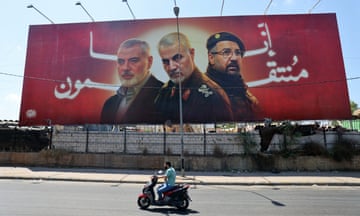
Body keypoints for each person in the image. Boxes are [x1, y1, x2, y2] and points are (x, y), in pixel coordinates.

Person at [154, 32, 233, 123]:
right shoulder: (164, 92)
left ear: (192, 53)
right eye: (165, 61)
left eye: (177, 58)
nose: (172, 67)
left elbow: (224, 133)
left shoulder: (213, 96)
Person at [100, 39, 164, 124]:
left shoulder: (166, 96)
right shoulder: (110, 104)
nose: (125, 68)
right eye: (121, 61)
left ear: (149, 62)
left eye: (133, 60)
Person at [206, 32, 260, 121]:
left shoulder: (248, 97)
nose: (234, 58)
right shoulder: (202, 90)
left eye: (238, 53)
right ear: (211, 58)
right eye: (226, 52)